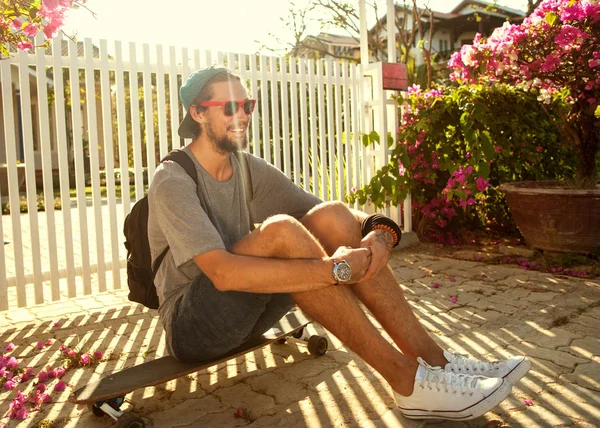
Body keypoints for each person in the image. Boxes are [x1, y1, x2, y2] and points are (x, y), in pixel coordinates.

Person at [147, 66, 531, 421]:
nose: (243, 115)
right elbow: (223, 273)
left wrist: (381, 235)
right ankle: (405, 380)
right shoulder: (174, 178)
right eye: (229, 106)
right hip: (194, 324)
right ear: (197, 113)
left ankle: (436, 361)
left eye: (248, 104)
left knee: (329, 216)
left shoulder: (247, 168)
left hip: (249, 312)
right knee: (282, 231)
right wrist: (336, 269)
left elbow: (336, 219)